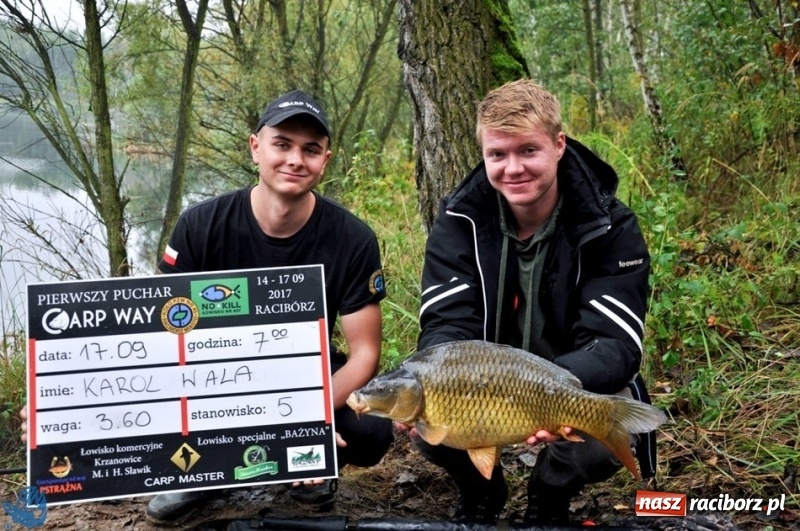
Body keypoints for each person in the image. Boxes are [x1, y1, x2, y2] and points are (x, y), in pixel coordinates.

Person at [20, 89, 394, 524]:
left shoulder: (353, 238)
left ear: (325, 160)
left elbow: (365, 353)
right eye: (282, 144)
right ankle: (201, 473)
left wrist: (307, 418)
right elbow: (156, 341)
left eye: (310, 150)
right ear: (256, 147)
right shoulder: (199, 224)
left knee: (370, 430)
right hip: (212, 382)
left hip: (306, 380)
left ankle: (307, 465)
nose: (295, 159)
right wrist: (60, 411)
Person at [407, 79, 657, 524]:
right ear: (483, 154)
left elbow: (615, 346)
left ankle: (548, 495)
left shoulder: (610, 226)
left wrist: (546, 391)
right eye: (497, 155)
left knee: (600, 440)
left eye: (528, 150)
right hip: (484, 384)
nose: (513, 168)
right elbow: (445, 326)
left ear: (559, 144)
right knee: (430, 419)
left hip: (569, 379)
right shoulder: (458, 222)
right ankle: (483, 491)